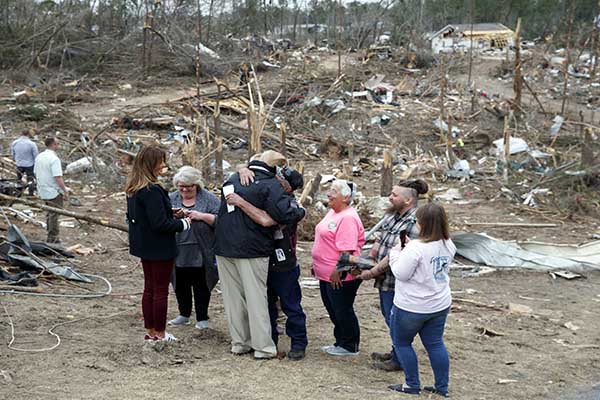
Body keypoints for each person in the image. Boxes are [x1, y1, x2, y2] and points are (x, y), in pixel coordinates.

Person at [214, 151, 305, 359]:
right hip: (252, 248)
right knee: (257, 298)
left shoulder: (234, 178)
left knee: (233, 299)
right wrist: (301, 211)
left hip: (224, 245)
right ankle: (263, 347)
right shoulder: (270, 185)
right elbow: (282, 215)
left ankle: (240, 343)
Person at [359, 179, 429, 372]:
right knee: (388, 315)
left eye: (395, 195)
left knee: (395, 319)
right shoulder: (392, 216)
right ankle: (396, 350)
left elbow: (399, 254)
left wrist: (373, 271)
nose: (390, 197)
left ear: (408, 200)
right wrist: (369, 257)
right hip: (385, 279)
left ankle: (399, 359)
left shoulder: (415, 222)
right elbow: (380, 238)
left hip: (398, 280)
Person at [387, 203, 456, 397]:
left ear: (422, 223)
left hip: (412, 305)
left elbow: (401, 273)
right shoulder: (448, 243)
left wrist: (395, 253)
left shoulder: (416, 248)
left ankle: (412, 384)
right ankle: (442, 387)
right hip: (439, 303)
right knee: (435, 344)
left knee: (401, 343)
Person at [125, 145, 191, 343]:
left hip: (145, 246)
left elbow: (146, 216)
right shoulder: (152, 190)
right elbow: (159, 224)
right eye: (161, 161)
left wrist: (170, 211)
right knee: (160, 291)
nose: (164, 165)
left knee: (150, 289)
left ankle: (151, 331)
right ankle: (161, 334)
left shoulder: (134, 189)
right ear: (152, 164)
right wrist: (183, 224)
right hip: (160, 247)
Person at [312, 179, 365, 356]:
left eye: (334, 191)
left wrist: (338, 271)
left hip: (340, 275)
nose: (329, 193)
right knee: (333, 309)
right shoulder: (333, 212)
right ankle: (340, 341)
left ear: (345, 197)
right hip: (325, 273)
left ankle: (349, 345)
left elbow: (347, 250)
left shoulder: (348, 217)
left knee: (342, 309)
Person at [168, 166, 220, 330]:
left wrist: (201, 216)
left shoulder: (209, 199)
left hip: (202, 249)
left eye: (188, 186)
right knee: (180, 282)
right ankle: (184, 314)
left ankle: (202, 316)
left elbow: (221, 221)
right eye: (181, 186)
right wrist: (173, 215)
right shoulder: (171, 198)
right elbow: (162, 219)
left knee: (201, 283)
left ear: (196, 185)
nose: (184, 189)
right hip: (178, 249)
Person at [34, 137, 68, 243]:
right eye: (57, 144)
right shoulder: (54, 159)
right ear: (53, 145)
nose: (59, 146)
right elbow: (57, 177)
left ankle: (50, 234)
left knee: (49, 213)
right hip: (53, 190)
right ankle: (53, 238)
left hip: (42, 189)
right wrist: (65, 190)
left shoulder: (40, 156)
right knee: (54, 214)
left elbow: (35, 172)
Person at [11, 129, 38, 196]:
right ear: (28, 134)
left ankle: (18, 193)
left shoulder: (15, 143)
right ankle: (30, 194)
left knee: (19, 179)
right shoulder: (32, 144)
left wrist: (15, 160)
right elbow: (36, 155)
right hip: (29, 165)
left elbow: (13, 154)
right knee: (31, 179)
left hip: (19, 164)